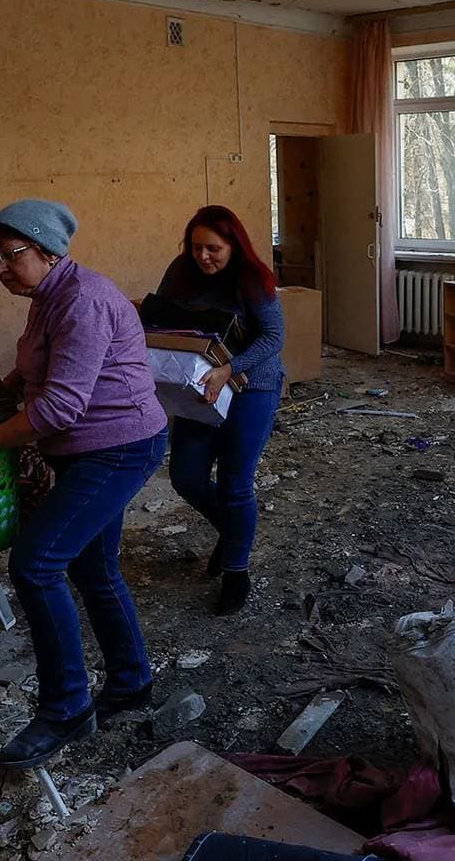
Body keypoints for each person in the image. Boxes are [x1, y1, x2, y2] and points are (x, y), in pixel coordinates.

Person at [0, 199, 168, 769]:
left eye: (11, 255)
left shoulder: (82, 300)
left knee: (36, 565)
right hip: (90, 449)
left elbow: (61, 405)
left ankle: (65, 708)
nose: (1, 269)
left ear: (47, 250)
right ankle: (132, 680)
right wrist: (0, 386)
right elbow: (49, 368)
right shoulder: (49, 297)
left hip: (115, 448)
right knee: (94, 568)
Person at [140, 205, 283, 615]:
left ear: (233, 246)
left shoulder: (255, 280)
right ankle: (233, 531)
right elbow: (160, 319)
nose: (204, 257)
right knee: (186, 476)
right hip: (197, 386)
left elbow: (274, 337)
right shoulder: (180, 271)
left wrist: (229, 368)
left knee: (235, 484)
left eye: (214, 249)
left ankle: (237, 570)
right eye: (196, 247)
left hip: (251, 384)